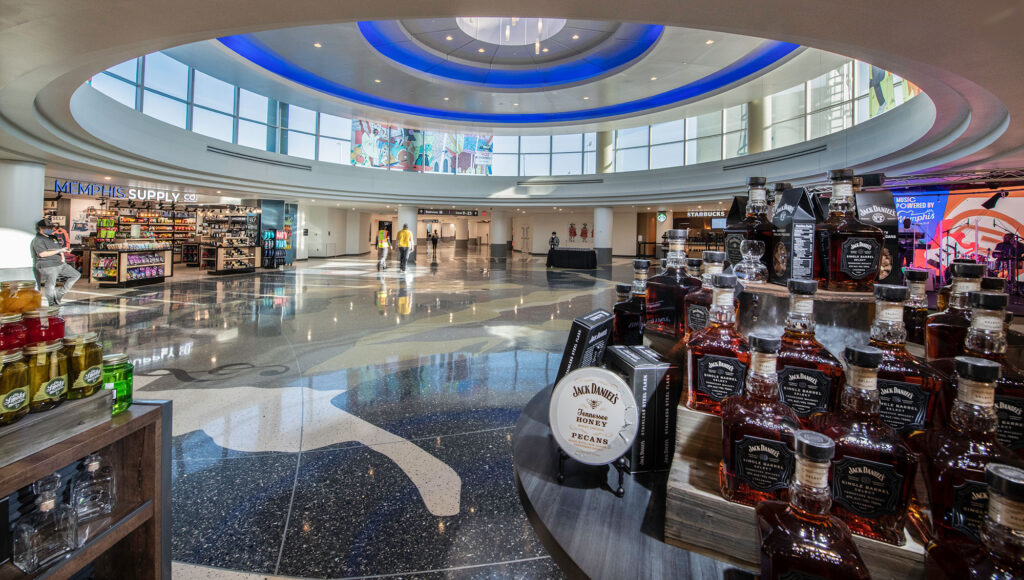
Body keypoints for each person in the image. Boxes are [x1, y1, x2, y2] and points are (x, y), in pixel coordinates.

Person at [31, 219, 80, 305]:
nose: (51, 229)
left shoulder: (53, 237)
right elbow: (42, 254)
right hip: (47, 265)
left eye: (51, 227)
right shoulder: (38, 240)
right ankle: (52, 303)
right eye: (48, 227)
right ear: (40, 228)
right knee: (50, 284)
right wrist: (59, 251)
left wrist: (62, 256)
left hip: (60, 263)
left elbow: (58, 248)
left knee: (76, 275)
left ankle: (59, 293)